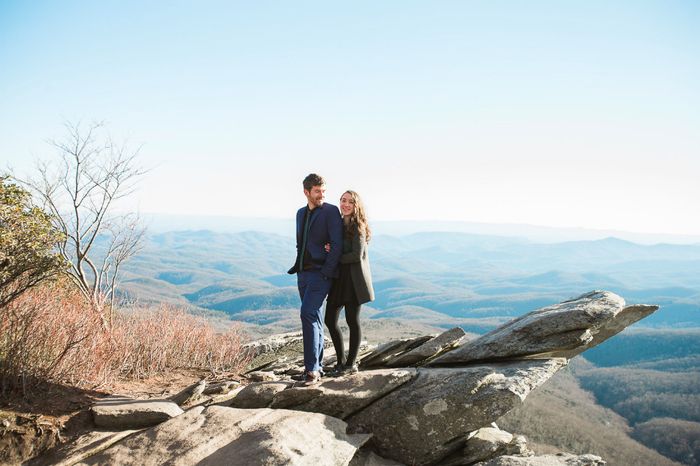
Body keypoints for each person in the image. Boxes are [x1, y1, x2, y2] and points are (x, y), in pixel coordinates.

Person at [288, 173, 343, 386]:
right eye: (317, 191)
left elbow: (336, 244)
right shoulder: (300, 213)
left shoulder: (330, 212)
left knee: (307, 313)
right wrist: (300, 268)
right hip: (303, 273)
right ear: (306, 192)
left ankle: (311, 370)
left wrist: (327, 272)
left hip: (321, 273)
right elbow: (300, 243)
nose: (321, 195)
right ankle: (316, 368)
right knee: (315, 318)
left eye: (323, 191)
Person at [324, 190, 375, 375]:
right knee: (330, 320)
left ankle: (351, 364)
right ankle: (341, 361)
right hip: (338, 280)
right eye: (343, 200)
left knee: (352, 321)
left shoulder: (359, 227)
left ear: (356, 206)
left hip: (353, 281)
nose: (345, 204)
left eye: (350, 202)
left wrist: (335, 255)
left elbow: (356, 255)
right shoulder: (338, 224)